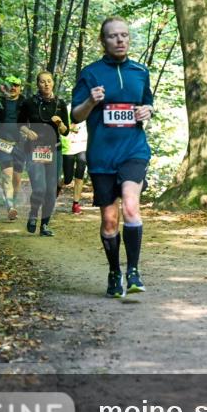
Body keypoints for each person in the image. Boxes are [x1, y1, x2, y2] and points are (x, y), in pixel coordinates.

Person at [71, 16, 154, 298]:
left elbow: (147, 103)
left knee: (130, 206)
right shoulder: (91, 73)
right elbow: (75, 116)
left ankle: (133, 272)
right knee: (109, 221)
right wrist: (91, 101)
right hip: (102, 156)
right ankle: (114, 271)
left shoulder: (140, 71)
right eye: (113, 36)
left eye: (124, 35)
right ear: (103, 41)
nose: (120, 40)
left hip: (133, 150)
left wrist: (147, 111)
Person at [19, 71, 69, 236]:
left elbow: (66, 131)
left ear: (53, 83)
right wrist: (27, 131)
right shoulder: (29, 103)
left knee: (51, 191)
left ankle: (45, 225)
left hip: (54, 150)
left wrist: (60, 123)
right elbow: (19, 123)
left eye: (49, 81)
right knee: (40, 188)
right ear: (37, 84)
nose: (46, 84)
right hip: (35, 150)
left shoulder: (60, 104)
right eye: (42, 81)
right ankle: (33, 214)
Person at [0, 76, 27, 220]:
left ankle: (12, 201)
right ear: (4, 87)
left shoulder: (25, 102)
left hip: (20, 144)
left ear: (20, 88)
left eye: (16, 85)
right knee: (7, 175)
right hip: (2, 142)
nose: (13, 88)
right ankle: (10, 207)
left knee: (17, 179)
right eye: (10, 85)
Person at [61, 102, 89, 214]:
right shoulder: (68, 108)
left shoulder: (89, 107)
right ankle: (56, 189)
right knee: (67, 179)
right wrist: (70, 128)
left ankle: (75, 204)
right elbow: (61, 128)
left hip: (83, 146)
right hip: (68, 146)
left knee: (80, 172)